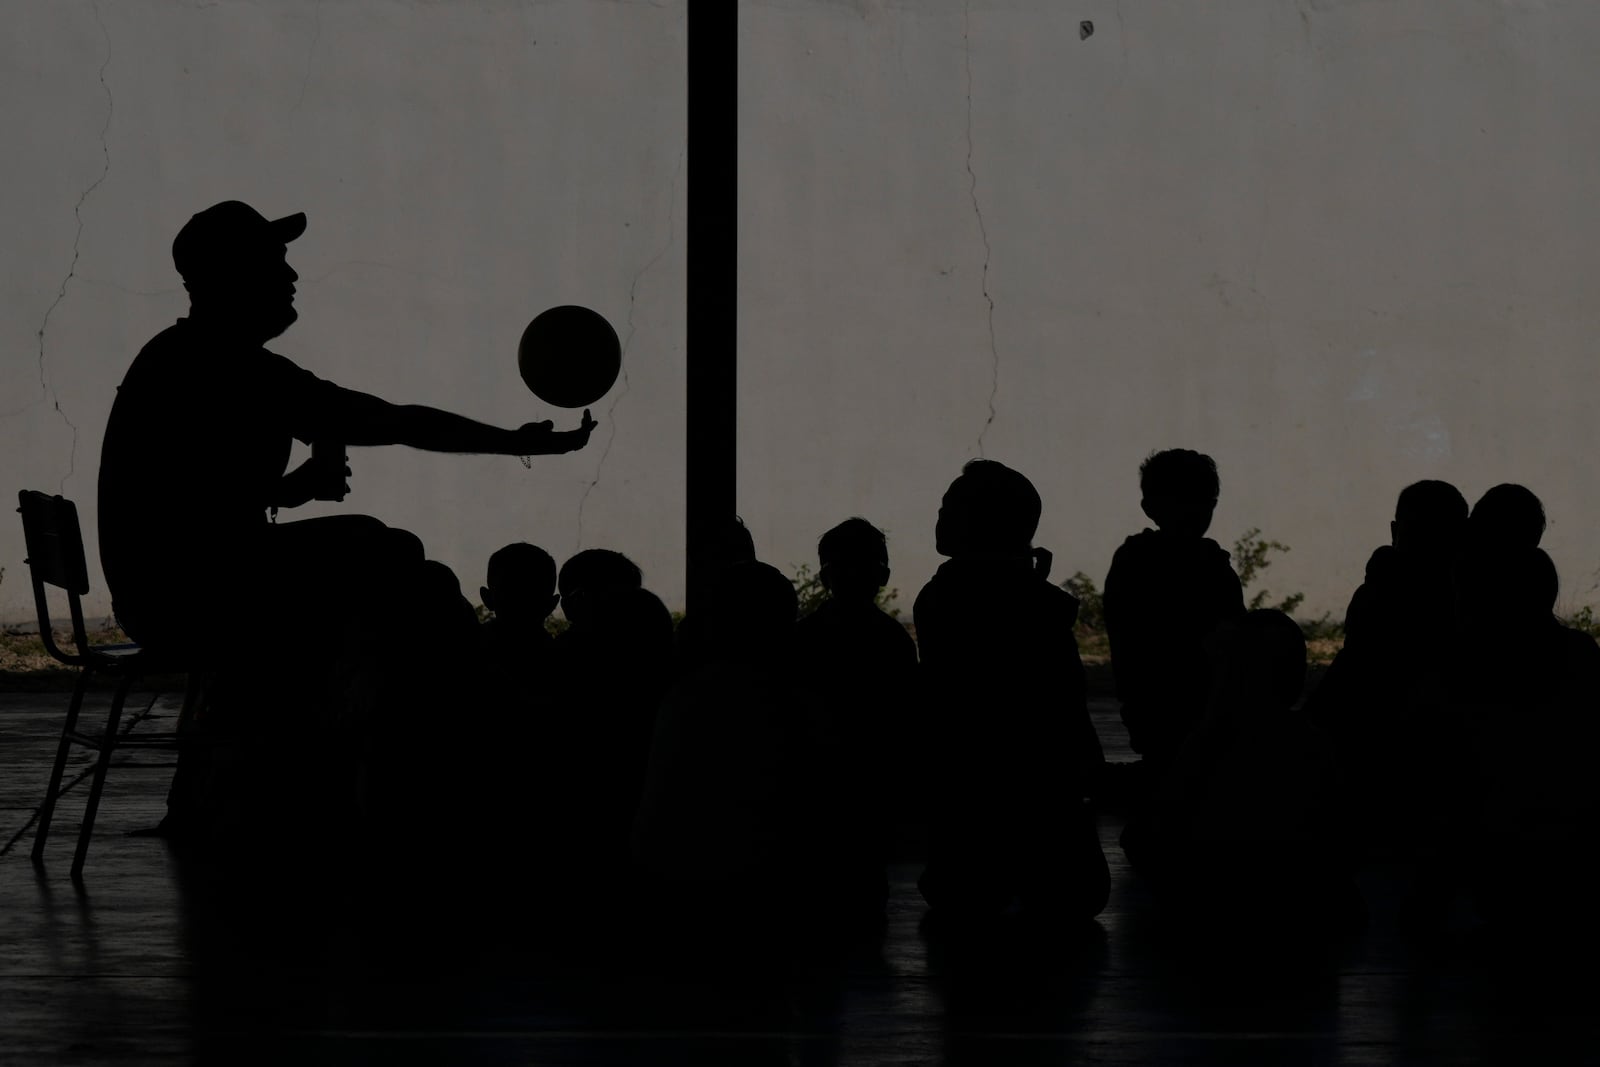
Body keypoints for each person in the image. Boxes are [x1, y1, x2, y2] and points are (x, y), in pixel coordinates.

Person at [97, 200, 597, 670]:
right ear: (234, 276)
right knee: (396, 561)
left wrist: (291, 490)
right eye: (275, 262)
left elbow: (192, 497)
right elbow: (397, 422)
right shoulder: (231, 368)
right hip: (191, 601)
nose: (291, 275)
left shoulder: (183, 356)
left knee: (405, 567)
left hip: (166, 594)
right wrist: (516, 442)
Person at [913, 460, 1108, 925]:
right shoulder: (1037, 605)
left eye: (949, 509)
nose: (939, 518)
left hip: (976, 801)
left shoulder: (944, 599)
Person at [793, 518, 919, 915]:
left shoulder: (806, 636)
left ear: (824, 575)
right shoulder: (892, 639)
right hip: (872, 780)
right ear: (883, 574)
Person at [1103, 449, 1245, 770]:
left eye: (1203, 502)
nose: (1195, 511)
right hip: (1190, 712)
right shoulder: (1213, 566)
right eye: (1187, 500)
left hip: (1153, 716)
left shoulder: (1133, 561)